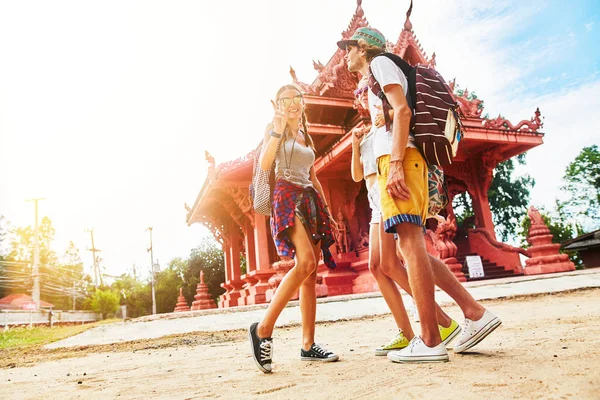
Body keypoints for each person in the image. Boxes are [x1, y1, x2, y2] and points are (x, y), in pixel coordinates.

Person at [339, 27, 501, 363]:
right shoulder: (377, 75)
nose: (345, 55)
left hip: (401, 161)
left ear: (364, 47)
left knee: (410, 246)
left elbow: (403, 111)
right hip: (399, 161)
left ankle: (429, 340)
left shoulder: (381, 63)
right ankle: (473, 312)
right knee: (408, 248)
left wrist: (395, 163)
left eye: (349, 48)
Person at [351, 75, 460, 357]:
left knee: (401, 256)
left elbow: (405, 115)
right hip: (375, 196)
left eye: (367, 91)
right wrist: (355, 145)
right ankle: (416, 329)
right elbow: (356, 176)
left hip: (392, 185)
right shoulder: (367, 133)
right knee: (380, 265)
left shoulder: (389, 120)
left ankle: (441, 323)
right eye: (360, 94)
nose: (363, 97)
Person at [249, 85, 340, 374]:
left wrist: (326, 210)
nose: (291, 104)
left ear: (302, 102)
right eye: (285, 99)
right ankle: (263, 329)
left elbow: (313, 176)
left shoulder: (306, 134)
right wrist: (277, 129)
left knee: (311, 275)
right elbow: (265, 165)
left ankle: (308, 345)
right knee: (306, 263)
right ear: (277, 104)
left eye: (296, 98)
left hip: (310, 198)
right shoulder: (274, 129)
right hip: (287, 196)